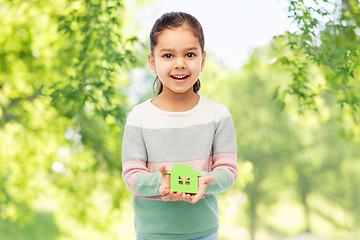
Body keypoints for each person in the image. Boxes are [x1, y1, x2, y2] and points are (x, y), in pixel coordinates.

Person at [122, 12, 237, 240]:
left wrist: (203, 181)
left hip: (203, 233)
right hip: (152, 234)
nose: (180, 64)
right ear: (153, 62)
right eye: (167, 55)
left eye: (190, 54)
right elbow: (132, 175)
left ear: (202, 60)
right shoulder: (139, 117)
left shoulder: (218, 115)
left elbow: (228, 171)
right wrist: (162, 183)